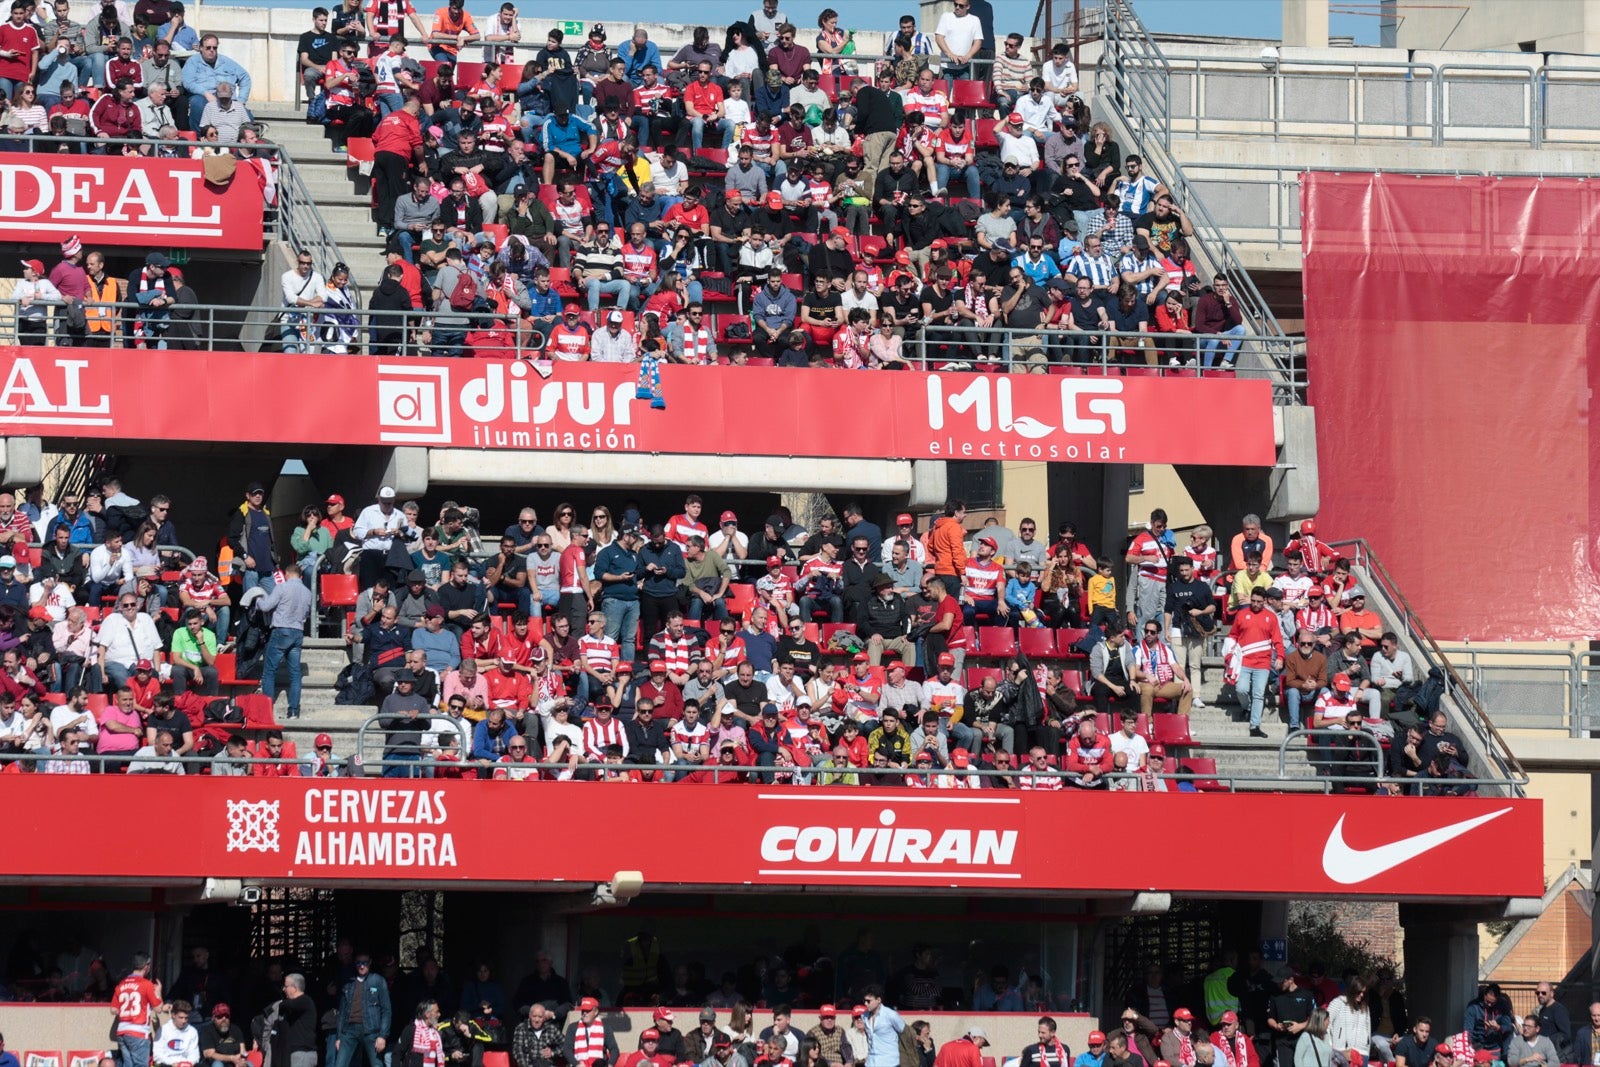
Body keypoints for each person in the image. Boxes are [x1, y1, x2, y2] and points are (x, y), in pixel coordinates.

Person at [258, 563, 312, 720]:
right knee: (295, 674)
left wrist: (257, 600)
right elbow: (307, 613)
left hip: (281, 630)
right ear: (300, 576)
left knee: (269, 671)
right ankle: (293, 711)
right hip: (298, 632)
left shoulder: (282, 587)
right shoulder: (307, 592)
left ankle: (266, 711)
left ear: (287, 574)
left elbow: (266, 606)